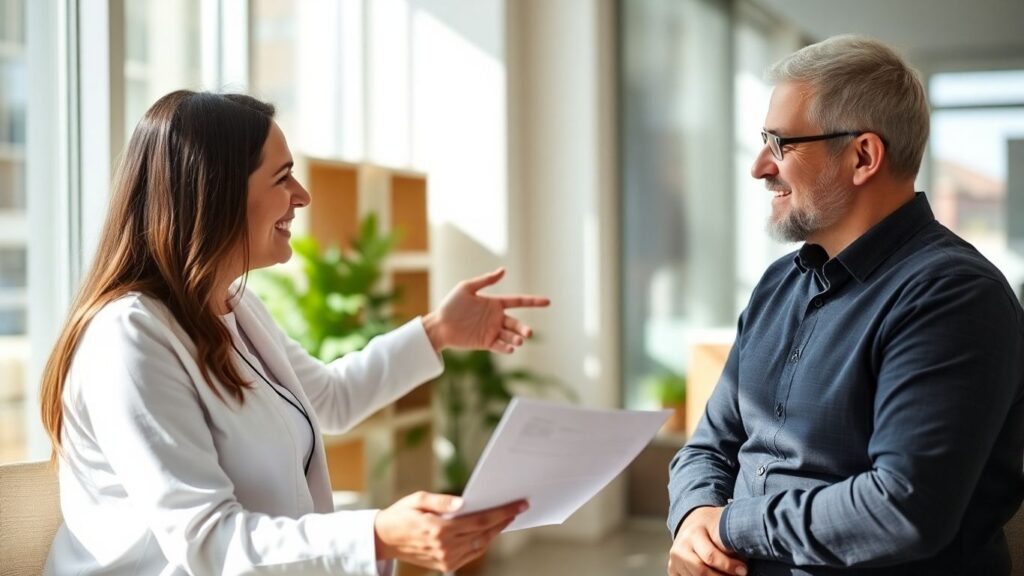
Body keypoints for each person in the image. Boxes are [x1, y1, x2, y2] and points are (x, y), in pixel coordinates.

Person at [40, 90, 546, 575]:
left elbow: (329, 398)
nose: (302, 196)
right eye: (282, 178)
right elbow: (207, 541)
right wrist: (374, 536)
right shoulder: (128, 338)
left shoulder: (236, 307)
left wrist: (437, 331)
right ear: (215, 194)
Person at [666, 35, 1024, 576]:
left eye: (781, 144)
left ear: (862, 157)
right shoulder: (778, 284)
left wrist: (729, 526)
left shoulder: (953, 296)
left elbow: (901, 508)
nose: (759, 166)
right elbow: (708, 446)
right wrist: (695, 518)